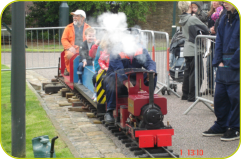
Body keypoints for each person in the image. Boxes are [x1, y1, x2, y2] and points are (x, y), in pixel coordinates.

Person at [202, 2, 239, 141]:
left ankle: (236, 128)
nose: (224, 3)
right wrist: (218, 61)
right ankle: (222, 124)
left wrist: (234, 62)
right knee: (219, 97)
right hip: (224, 62)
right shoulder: (223, 18)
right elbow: (218, 41)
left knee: (236, 98)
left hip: (236, 64)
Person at [103, 45, 157, 124]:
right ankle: (110, 110)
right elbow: (118, 70)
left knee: (153, 76)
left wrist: (151, 71)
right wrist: (127, 83)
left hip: (134, 78)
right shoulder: (116, 50)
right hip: (119, 79)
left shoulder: (140, 49)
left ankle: (149, 103)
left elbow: (149, 62)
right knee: (113, 77)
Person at [178, 1, 210, 102]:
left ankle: (185, 94)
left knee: (188, 73)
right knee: (196, 74)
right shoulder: (192, 18)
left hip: (188, 48)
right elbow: (206, 29)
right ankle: (192, 96)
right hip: (194, 49)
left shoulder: (183, 18)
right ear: (189, 7)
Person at [61, 9, 91, 76]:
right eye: (74, 16)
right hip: (73, 48)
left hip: (85, 49)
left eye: (76, 16)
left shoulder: (88, 28)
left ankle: (86, 72)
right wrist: (70, 47)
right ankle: (69, 70)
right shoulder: (68, 27)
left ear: (82, 18)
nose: (74, 17)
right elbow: (64, 39)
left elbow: (93, 39)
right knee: (69, 55)